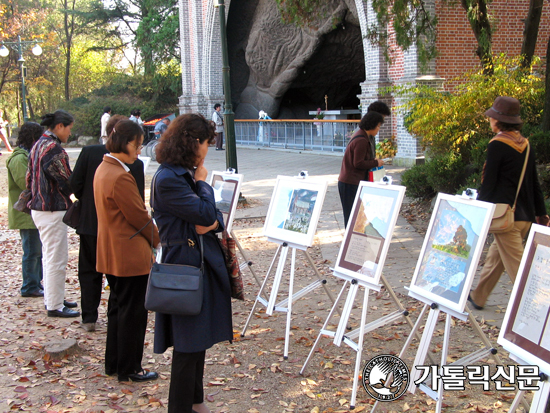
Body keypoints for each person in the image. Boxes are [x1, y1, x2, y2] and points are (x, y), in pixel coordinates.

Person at [152, 113, 233, 413]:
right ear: (194, 142)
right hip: (183, 269)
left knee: (196, 341)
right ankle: (181, 408)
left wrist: (209, 220)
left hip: (194, 263)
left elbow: (213, 219)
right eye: (207, 143)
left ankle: (196, 403)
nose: (207, 150)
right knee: (187, 346)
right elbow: (204, 215)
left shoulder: (179, 173)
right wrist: (203, 184)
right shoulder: (170, 178)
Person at [94, 119, 159, 382]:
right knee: (132, 313)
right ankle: (130, 368)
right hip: (128, 255)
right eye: (138, 145)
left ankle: (115, 363)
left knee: (118, 309)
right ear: (127, 142)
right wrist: (157, 239)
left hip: (112, 251)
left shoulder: (104, 167)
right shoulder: (120, 175)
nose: (140, 151)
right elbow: (139, 216)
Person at [468, 96, 549, 310]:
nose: (489, 120)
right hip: (524, 216)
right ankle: (478, 296)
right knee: (496, 258)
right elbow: (534, 183)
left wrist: (480, 211)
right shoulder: (526, 144)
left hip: (505, 218)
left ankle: (540, 310)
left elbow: (489, 183)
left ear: (497, 120)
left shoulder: (497, 144)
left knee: (522, 272)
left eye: (491, 117)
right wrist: (542, 214)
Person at [70, 115, 145, 332]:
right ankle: (114, 312)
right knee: (117, 276)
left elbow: (75, 184)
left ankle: (89, 316)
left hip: (89, 223)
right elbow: (137, 202)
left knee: (88, 272)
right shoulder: (130, 165)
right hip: (116, 229)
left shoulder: (90, 154)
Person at [27, 110, 79, 318]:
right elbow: (68, 181)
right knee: (56, 258)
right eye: (69, 128)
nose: (69, 133)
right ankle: (55, 305)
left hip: (39, 208)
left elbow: (29, 176)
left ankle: (53, 297)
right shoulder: (53, 148)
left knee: (50, 258)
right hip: (51, 209)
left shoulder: (37, 144)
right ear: (59, 126)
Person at [7, 122, 44, 298]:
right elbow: (26, 183)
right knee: (31, 251)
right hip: (25, 214)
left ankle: (36, 283)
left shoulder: (27, 155)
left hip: (33, 212)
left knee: (38, 251)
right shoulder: (19, 158)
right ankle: (29, 286)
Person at [338, 111, 385, 227]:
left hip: (351, 182)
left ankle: (354, 241)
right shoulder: (361, 140)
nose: (378, 129)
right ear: (372, 125)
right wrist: (376, 163)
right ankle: (350, 242)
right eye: (378, 126)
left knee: (357, 215)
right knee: (351, 216)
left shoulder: (362, 136)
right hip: (349, 183)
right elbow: (358, 163)